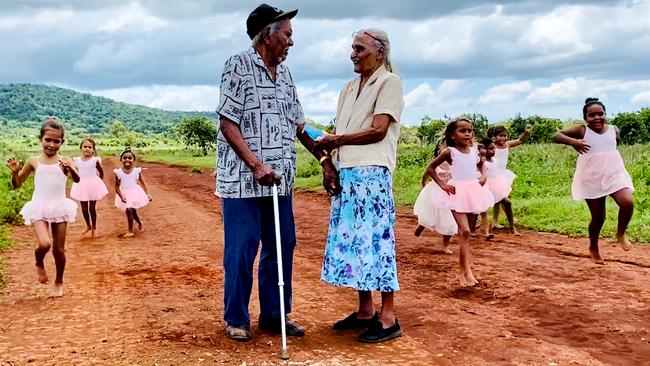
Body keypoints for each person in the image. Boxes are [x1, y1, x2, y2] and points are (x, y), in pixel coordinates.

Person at [216, 4, 339, 342]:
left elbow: (301, 126)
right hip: (243, 181)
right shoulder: (238, 65)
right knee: (242, 248)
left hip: (279, 180)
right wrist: (255, 165)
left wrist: (324, 159)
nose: (291, 42)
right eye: (287, 34)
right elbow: (227, 121)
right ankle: (236, 317)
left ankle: (274, 314)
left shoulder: (285, 75)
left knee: (282, 245)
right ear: (268, 35)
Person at [315, 28, 404, 343]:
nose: (353, 53)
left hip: (372, 172)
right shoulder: (348, 87)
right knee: (356, 242)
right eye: (352, 48)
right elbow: (339, 130)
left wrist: (336, 140)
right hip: (347, 170)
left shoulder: (389, 82)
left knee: (377, 242)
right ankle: (366, 309)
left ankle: (389, 316)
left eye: (359, 48)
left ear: (380, 52)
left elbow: (379, 130)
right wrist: (329, 163)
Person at [553, 98, 634, 264]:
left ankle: (621, 233)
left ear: (605, 114)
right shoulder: (581, 130)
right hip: (591, 176)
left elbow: (613, 145)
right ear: (585, 118)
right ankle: (593, 247)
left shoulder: (614, 129)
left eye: (600, 114)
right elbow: (556, 135)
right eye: (592, 115)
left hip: (613, 173)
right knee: (598, 218)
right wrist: (573, 142)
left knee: (627, 202)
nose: (597, 118)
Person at [5, 117, 79, 297]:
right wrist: (15, 172)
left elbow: (77, 180)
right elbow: (17, 184)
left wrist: (71, 167)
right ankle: (39, 261)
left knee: (58, 249)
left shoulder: (64, 161)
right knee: (45, 243)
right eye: (48, 140)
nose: (52, 145)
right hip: (39, 206)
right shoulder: (33, 161)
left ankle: (59, 281)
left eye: (56, 141)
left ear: (62, 142)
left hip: (59, 206)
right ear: (40, 139)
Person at [422, 118, 494, 287]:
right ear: (453, 135)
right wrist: (442, 185)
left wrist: (483, 176)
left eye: (470, 131)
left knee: (467, 233)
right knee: (466, 231)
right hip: (457, 193)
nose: (468, 134)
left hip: (473, 191)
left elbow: (481, 166)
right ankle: (463, 271)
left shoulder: (475, 150)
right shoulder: (450, 152)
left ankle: (467, 270)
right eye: (463, 131)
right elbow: (430, 168)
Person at [414, 140, 456, 254]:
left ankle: (444, 246)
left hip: (451, 192)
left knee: (451, 220)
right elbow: (428, 171)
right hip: (436, 190)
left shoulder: (458, 160)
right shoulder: (439, 161)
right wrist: (423, 183)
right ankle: (421, 225)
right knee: (429, 213)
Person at [489, 124, 532, 232]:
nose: (503, 138)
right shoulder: (491, 146)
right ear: (494, 137)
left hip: (503, 174)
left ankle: (496, 221)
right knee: (500, 199)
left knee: (503, 197)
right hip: (493, 175)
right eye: (500, 135)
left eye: (505, 135)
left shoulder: (507, 144)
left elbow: (520, 140)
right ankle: (499, 221)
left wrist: (526, 133)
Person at [70, 137, 108, 238]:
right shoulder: (76, 160)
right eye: (85, 146)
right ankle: (88, 225)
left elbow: (101, 172)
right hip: (81, 185)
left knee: (92, 208)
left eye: (90, 147)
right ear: (81, 148)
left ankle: (94, 227)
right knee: (84, 209)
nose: (87, 149)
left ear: (93, 150)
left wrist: (99, 183)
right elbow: (74, 172)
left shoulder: (95, 160)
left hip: (93, 185)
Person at [480, 137, 515, 236]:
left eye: (494, 148)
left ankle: (512, 226)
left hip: (496, 185)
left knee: (507, 203)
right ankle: (479, 229)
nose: (494, 151)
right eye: (491, 149)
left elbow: (496, 172)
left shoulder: (494, 160)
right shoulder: (482, 162)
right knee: (481, 209)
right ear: (484, 150)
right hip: (485, 186)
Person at [114, 147, 151, 238]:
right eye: (125, 158)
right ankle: (139, 223)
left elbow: (143, 182)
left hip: (135, 193)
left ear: (133, 160)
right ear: (121, 159)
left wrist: (148, 194)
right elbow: (116, 186)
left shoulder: (136, 171)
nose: (127, 160)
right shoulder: (118, 172)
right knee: (131, 210)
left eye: (130, 158)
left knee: (131, 210)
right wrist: (121, 196)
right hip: (124, 194)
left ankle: (130, 230)